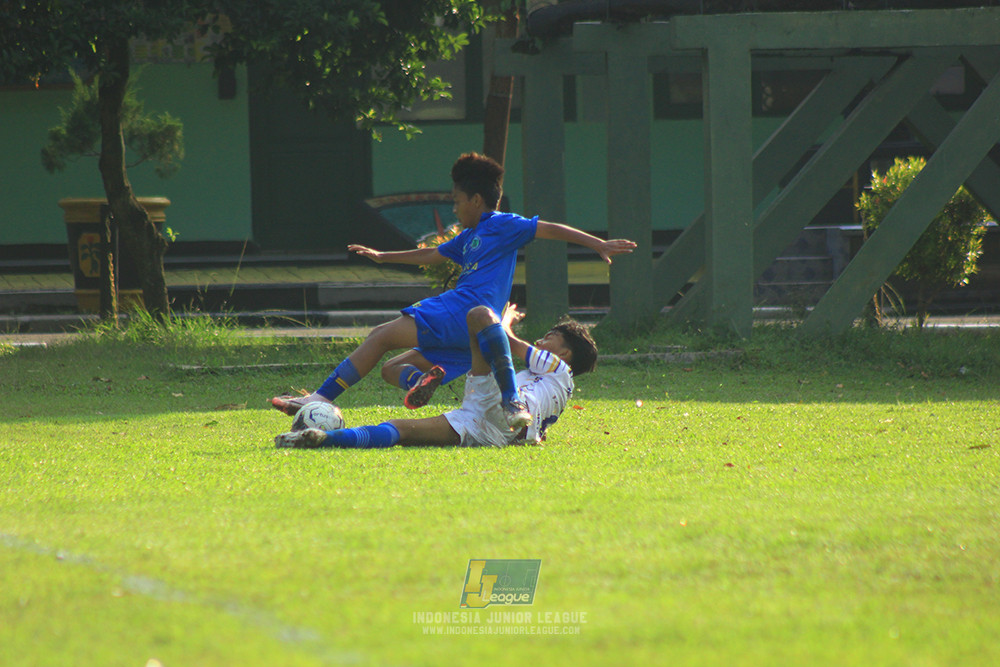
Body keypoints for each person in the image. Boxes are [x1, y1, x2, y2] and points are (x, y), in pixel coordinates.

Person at [270, 151, 633, 416]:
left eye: (457, 202)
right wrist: (383, 257)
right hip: (473, 334)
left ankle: (320, 398)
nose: (454, 210)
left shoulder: (503, 224)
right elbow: (432, 255)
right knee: (389, 368)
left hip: (462, 310)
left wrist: (597, 243)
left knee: (379, 336)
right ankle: (419, 381)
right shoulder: (470, 236)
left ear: (477, 200)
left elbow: (549, 228)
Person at [273, 303, 598, 449]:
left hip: (505, 408)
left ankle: (512, 401)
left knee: (480, 314)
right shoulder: (553, 388)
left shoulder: (560, 371)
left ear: (565, 352)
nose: (541, 341)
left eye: (549, 338)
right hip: (497, 432)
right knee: (402, 431)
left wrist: (506, 319)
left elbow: (510, 343)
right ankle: (324, 439)